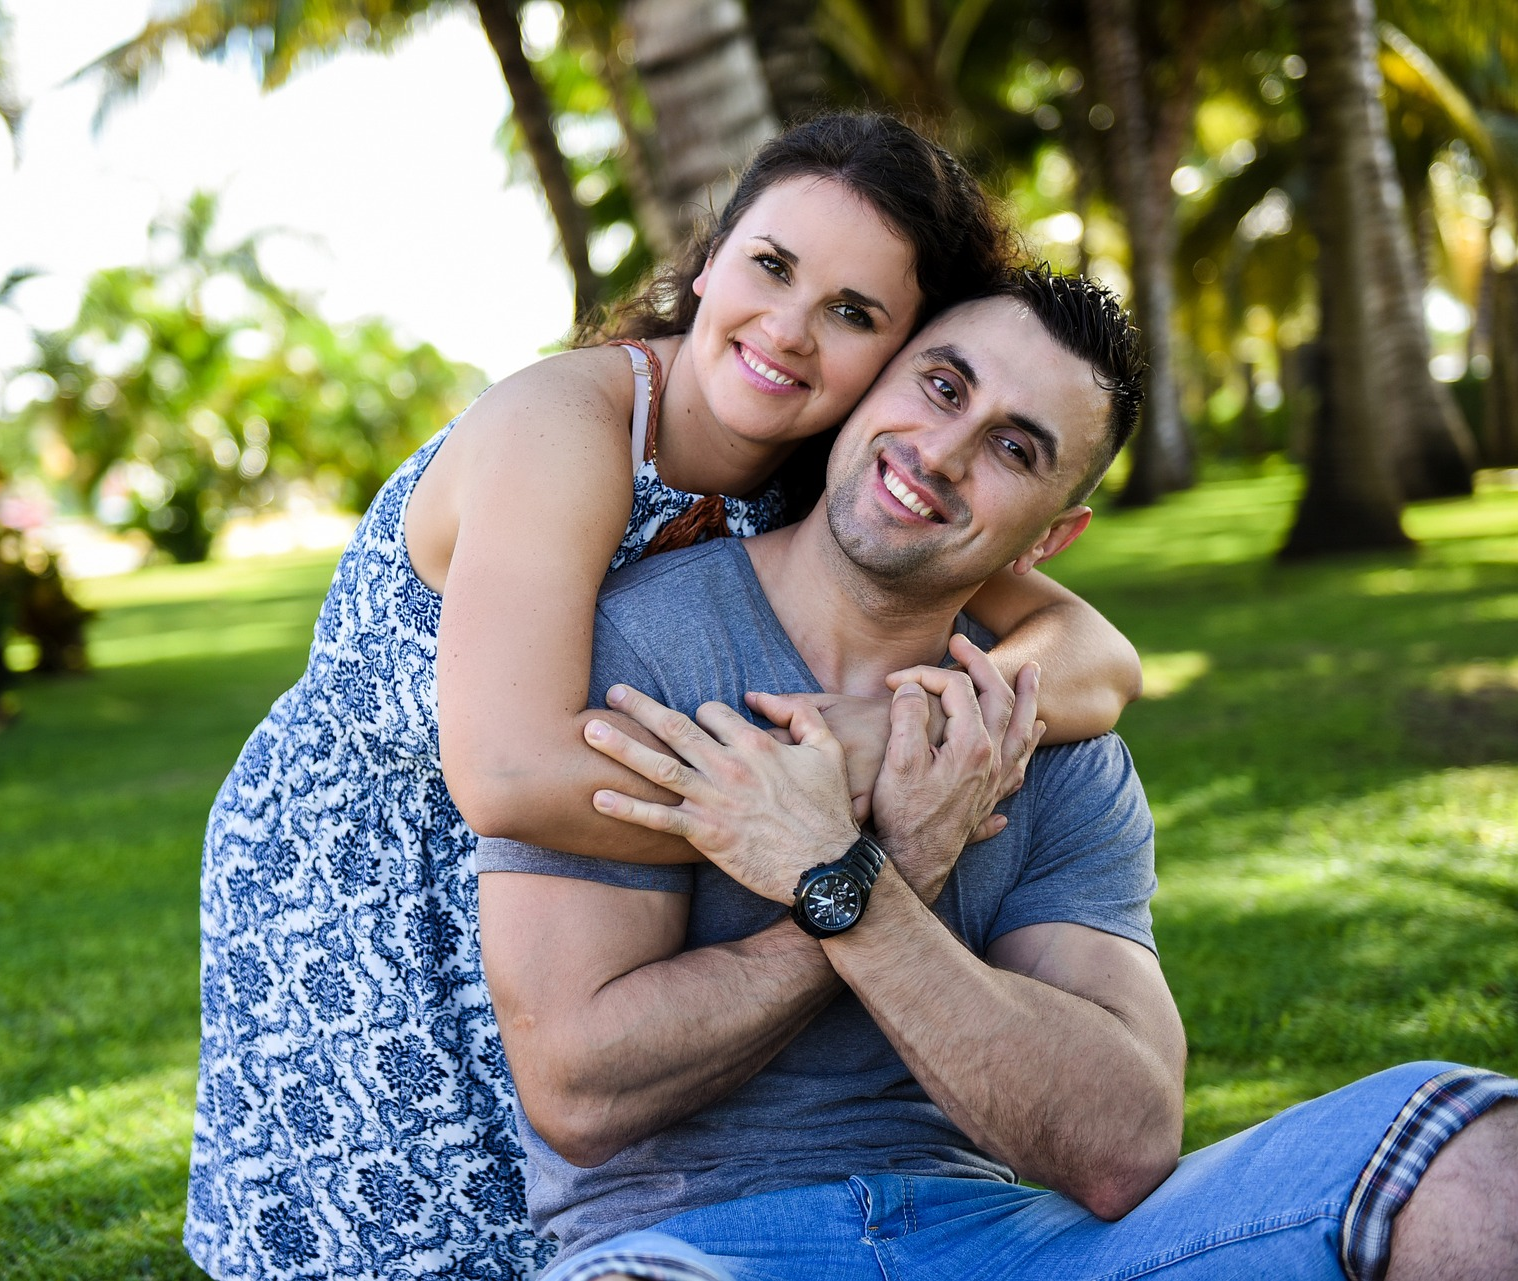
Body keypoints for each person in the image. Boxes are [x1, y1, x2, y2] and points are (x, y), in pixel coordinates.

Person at [187, 115, 1146, 1281]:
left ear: (893, 359)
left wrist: (883, 734)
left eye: (854, 314)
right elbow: (506, 772)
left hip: (562, 880)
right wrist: (834, 790)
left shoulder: (832, 464)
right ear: (707, 260)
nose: (789, 330)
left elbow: (1094, 654)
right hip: (364, 878)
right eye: (772, 266)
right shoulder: (572, 425)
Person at [475, 270, 1518, 1281]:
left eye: (1013, 448)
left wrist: (863, 897)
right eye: (941, 385)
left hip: (1000, 1239)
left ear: (1051, 537)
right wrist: (884, 863)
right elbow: (580, 1088)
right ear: (869, 383)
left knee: (1478, 1157)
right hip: (691, 1244)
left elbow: (1125, 1141)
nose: (942, 452)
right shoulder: (642, 648)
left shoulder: (1042, 730)